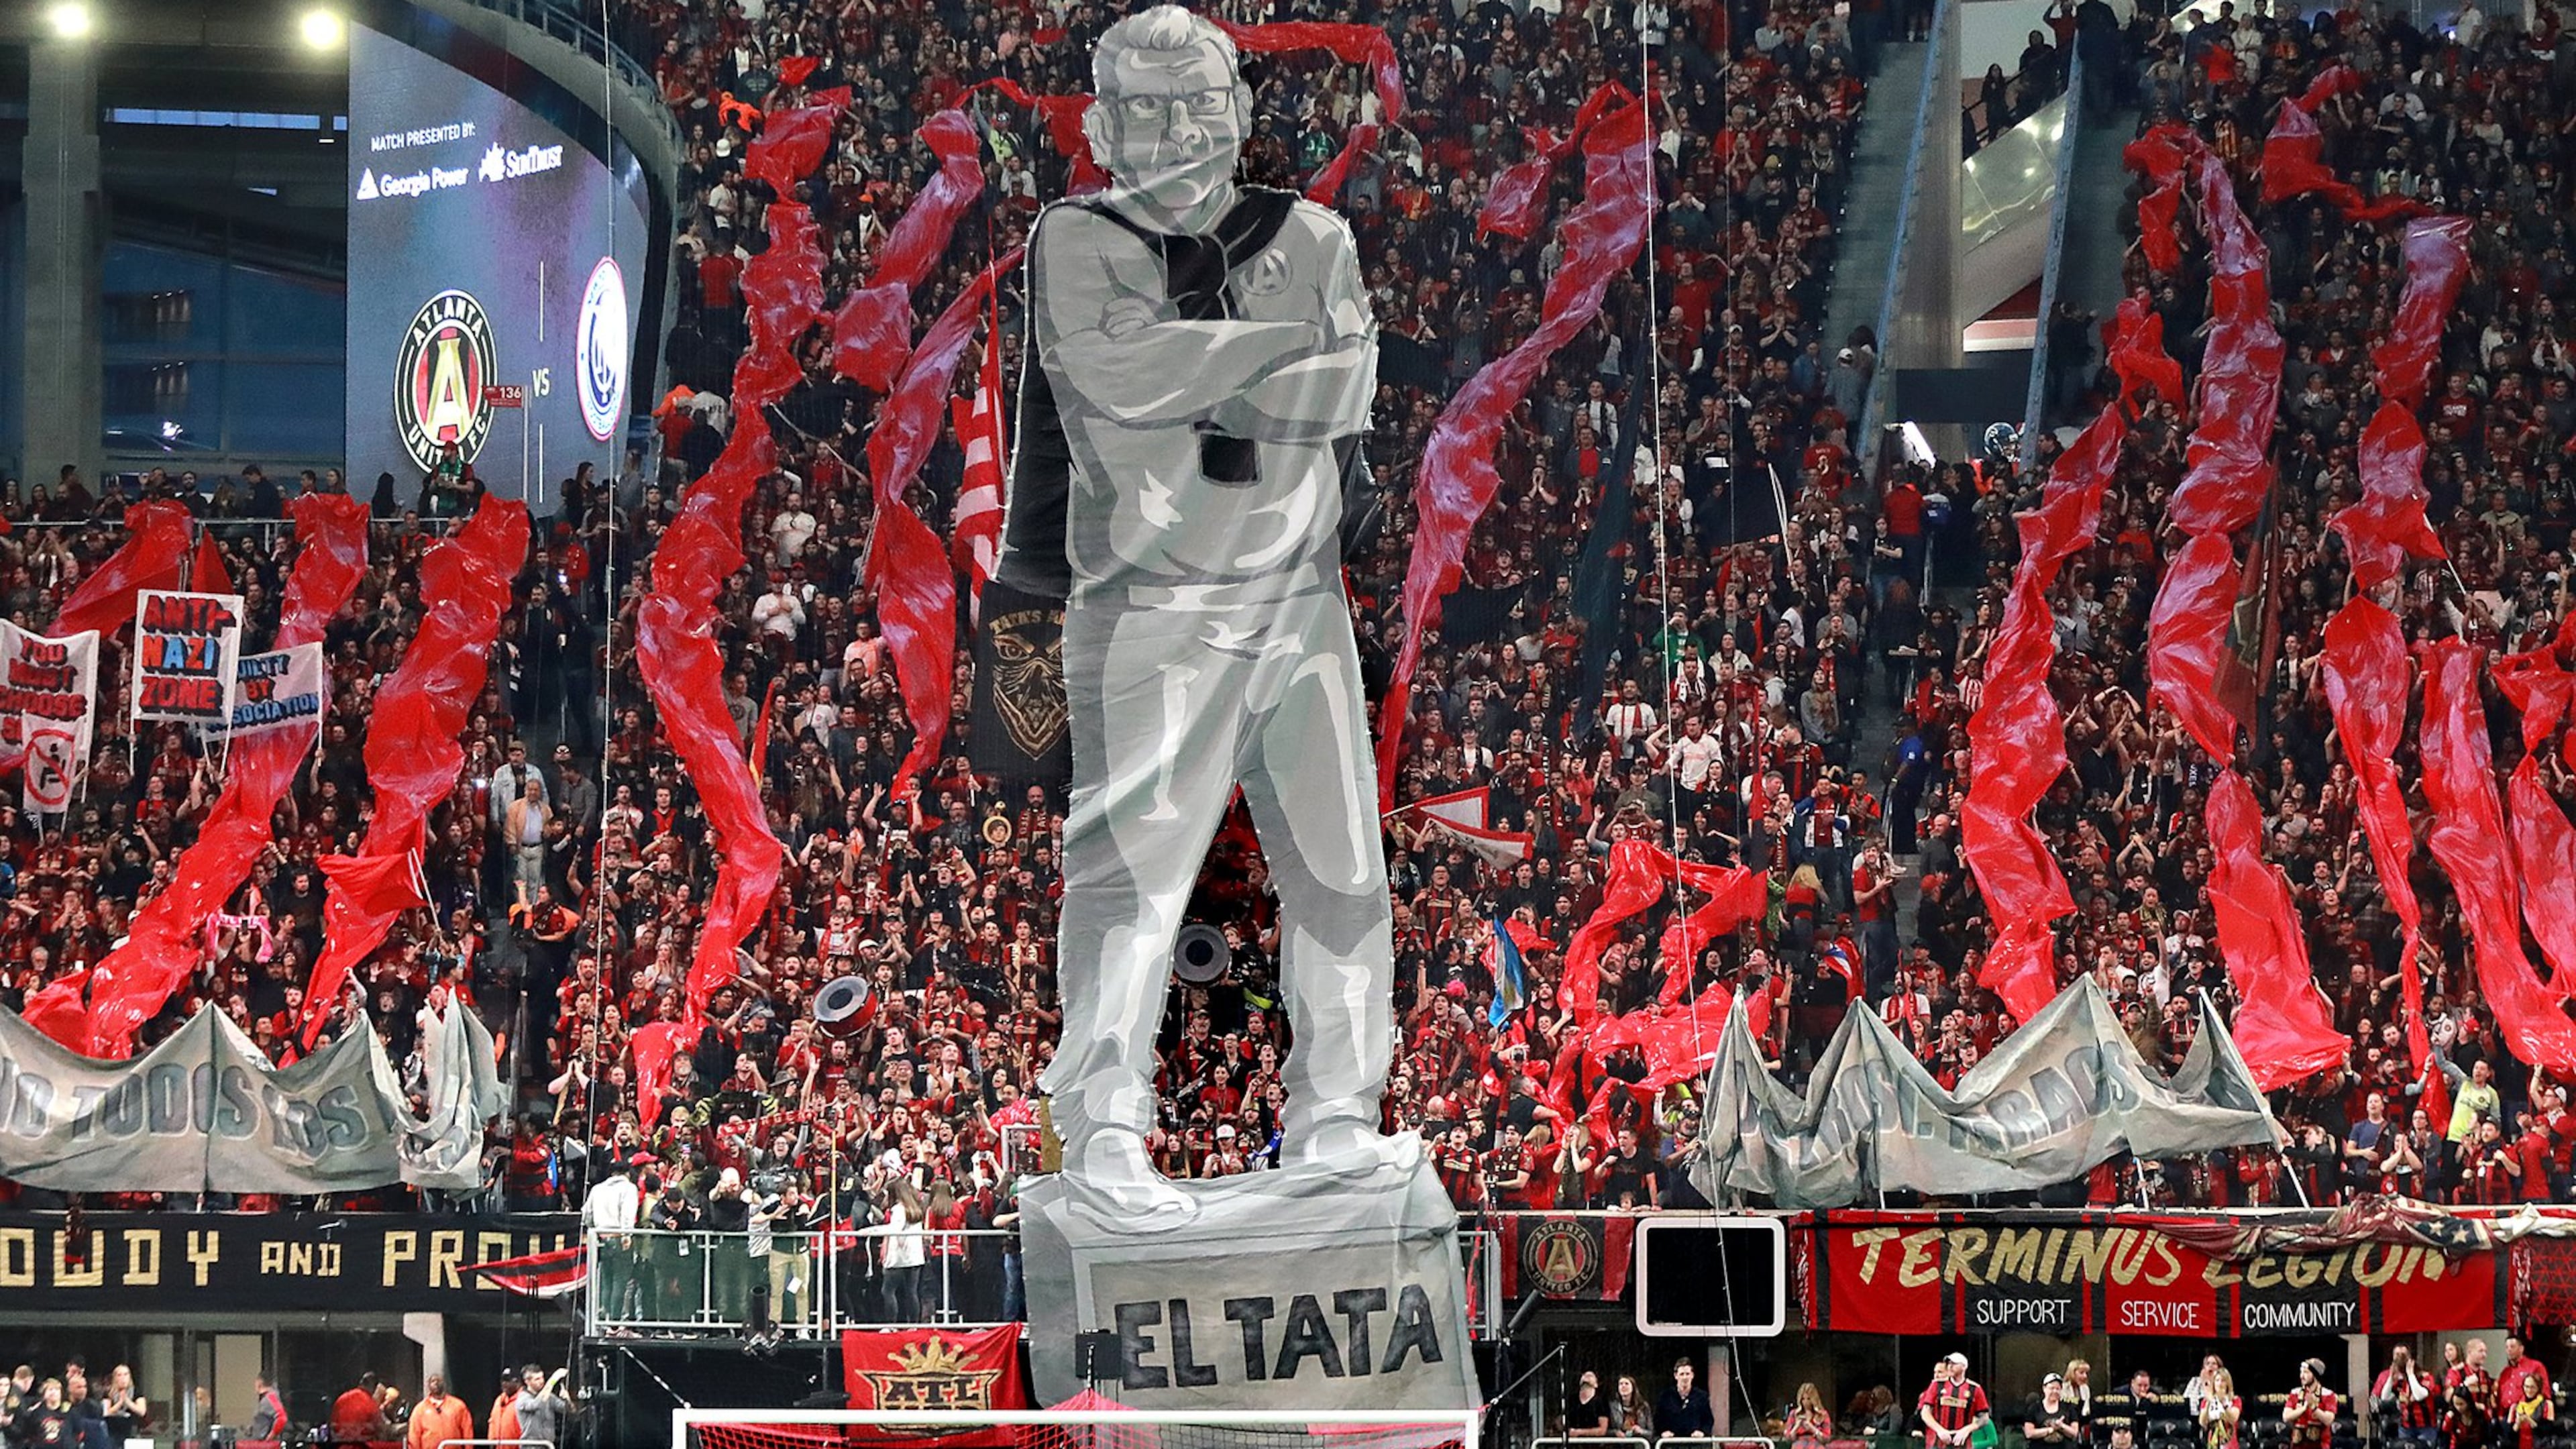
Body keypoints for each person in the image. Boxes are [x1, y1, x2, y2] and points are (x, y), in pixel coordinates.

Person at [994, 3, 1394, 1219]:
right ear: (1105, 127)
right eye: (1151, 108)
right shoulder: (1075, 237)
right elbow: (1119, 380)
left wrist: (1198, 372)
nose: (1179, 129)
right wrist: (1273, 353)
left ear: (1242, 111)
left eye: (1201, 102)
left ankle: (1338, 1121)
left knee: (1340, 872)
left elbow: (1349, 388)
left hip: (1300, 598)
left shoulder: (1316, 236)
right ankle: (1103, 1132)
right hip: (1151, 606)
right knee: (1131, 884)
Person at [582, 1155, 642, 1331]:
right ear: (627, 1174)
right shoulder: (629, 1188)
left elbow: (586, 1215)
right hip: (619, 1237)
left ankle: (603, 1316)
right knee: (620, 1280)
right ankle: (614, 1322)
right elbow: (628, 1214)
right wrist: (627, 1235)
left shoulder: (597, 1189)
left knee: (606, 1279)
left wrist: (594, 1228)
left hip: (600, 1238)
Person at [1919, 1352, 1990, 1449]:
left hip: (1963, 1444)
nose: (1950, 1366)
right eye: (1949, 1364)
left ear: (1964, 1367)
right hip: (1938, 1443)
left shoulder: (1975, 1389)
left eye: (1954, 1364)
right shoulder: (1937, 1385)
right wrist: (1940, 1430)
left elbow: (1984, 1418)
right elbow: (1925, 1413)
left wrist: (1967, 1430)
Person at [2378, 1347, 2437, 1449]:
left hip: (2426, 1427)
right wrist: (2391, 1378)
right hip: (2406, 1427)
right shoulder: (2400, 1382)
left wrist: (2411, 1374)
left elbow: (2420, 1396)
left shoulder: (2426, 1377)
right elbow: (2385, 1397)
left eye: (2403, 1355)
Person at [407, 1373, 473, 1449]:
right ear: (428, 1386)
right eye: (433, 1381)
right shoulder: (420, 1409)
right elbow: (414, 1435)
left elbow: (467, 1430)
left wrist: (469, 1448)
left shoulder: (458, 1406)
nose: (436, 1383)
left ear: (444, 1384)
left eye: (438, 1381)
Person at [1656, 1358, 1715, 1440]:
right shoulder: (1666, 1396)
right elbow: (1658, 1419)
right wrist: (1663, 1431)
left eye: (1687, 1374)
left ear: (1692, 1375)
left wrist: (1703, 1432)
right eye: (1682, 1374)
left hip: (1695, 1442)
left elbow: (1708, 1420)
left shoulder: (1702, 1396)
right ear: (1676, 1376)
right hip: (1671, 1442)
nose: (1685, 1377)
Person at [2284, 1360, 2337, 1449]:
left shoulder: (2328, 1395)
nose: (2302, 1376)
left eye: (2306, 1372)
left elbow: (2329, 1420)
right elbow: (2286, 1417)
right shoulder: (2295, 1393)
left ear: (2315, 1375)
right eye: (2301, 1372)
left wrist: (2314, 1407)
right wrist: (2303, 1408)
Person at [512, 1364, 568, 1449]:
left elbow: (568, 1410)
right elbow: (537, 1404)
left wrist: (567, 1399)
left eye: (542, 1377)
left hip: (548, 1446)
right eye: (537, 1379)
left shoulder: (550, 1397)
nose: (542, 1381)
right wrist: (553, 1380)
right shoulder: (522, 1398)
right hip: (531, 1447)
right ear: (527, 1381)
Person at [2027, 1373, 2082, 1449]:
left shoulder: (2069, 1408)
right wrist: (2050, 1430)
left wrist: (2062, 1426)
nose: (2055, 1391)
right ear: (2044, 1388)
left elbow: (2075, 1433)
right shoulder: (2034, 1408)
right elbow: (2029, 1433)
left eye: (2058, 1389)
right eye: (2052, 1388)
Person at [331, 1371, 390, 1442]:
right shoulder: (371, 1404)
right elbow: (381, 1430)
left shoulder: (341, 1399)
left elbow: (333, 1425)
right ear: (374, 1387)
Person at [2200, 1368, 2242, 1449]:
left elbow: (2233, 1419)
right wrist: (2209, 1402)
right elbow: (2202, 1422)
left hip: (2230, 1443)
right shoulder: (2206, 1401)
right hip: (2213, 1443)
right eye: (2217, 1380)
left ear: (2228, 1383)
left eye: (2223, 1381)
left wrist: (2223, 1403)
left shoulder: (2235, 1400)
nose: (2220, 1383)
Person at [1786, 1382, 1833, 1449]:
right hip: (1799, 1446)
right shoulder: (1794, 1414)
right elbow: (1789, 1439)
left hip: (1816, 1445)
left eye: (1808, 1399)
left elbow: (1826, 1439)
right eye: (1803, 1399)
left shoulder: (1823, 1414)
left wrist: (1813, 1429)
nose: (1806, 1402)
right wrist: (1796, 1427)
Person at [1568, 1370, 1614, 1438]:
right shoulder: (1572, 1400)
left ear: (1596, 1384)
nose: (1587, 1378)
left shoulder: (1601, 1402)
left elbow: (1602, 1430)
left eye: (1590, 1376)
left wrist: (1579, 1432)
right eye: (1584, 1375)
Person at [247, 1373, 288, 1442]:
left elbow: (282, 1418)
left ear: (259, 1383)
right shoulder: (267, 1399)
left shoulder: (270, 1398)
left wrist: (270, 1437)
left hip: (265, 1443)